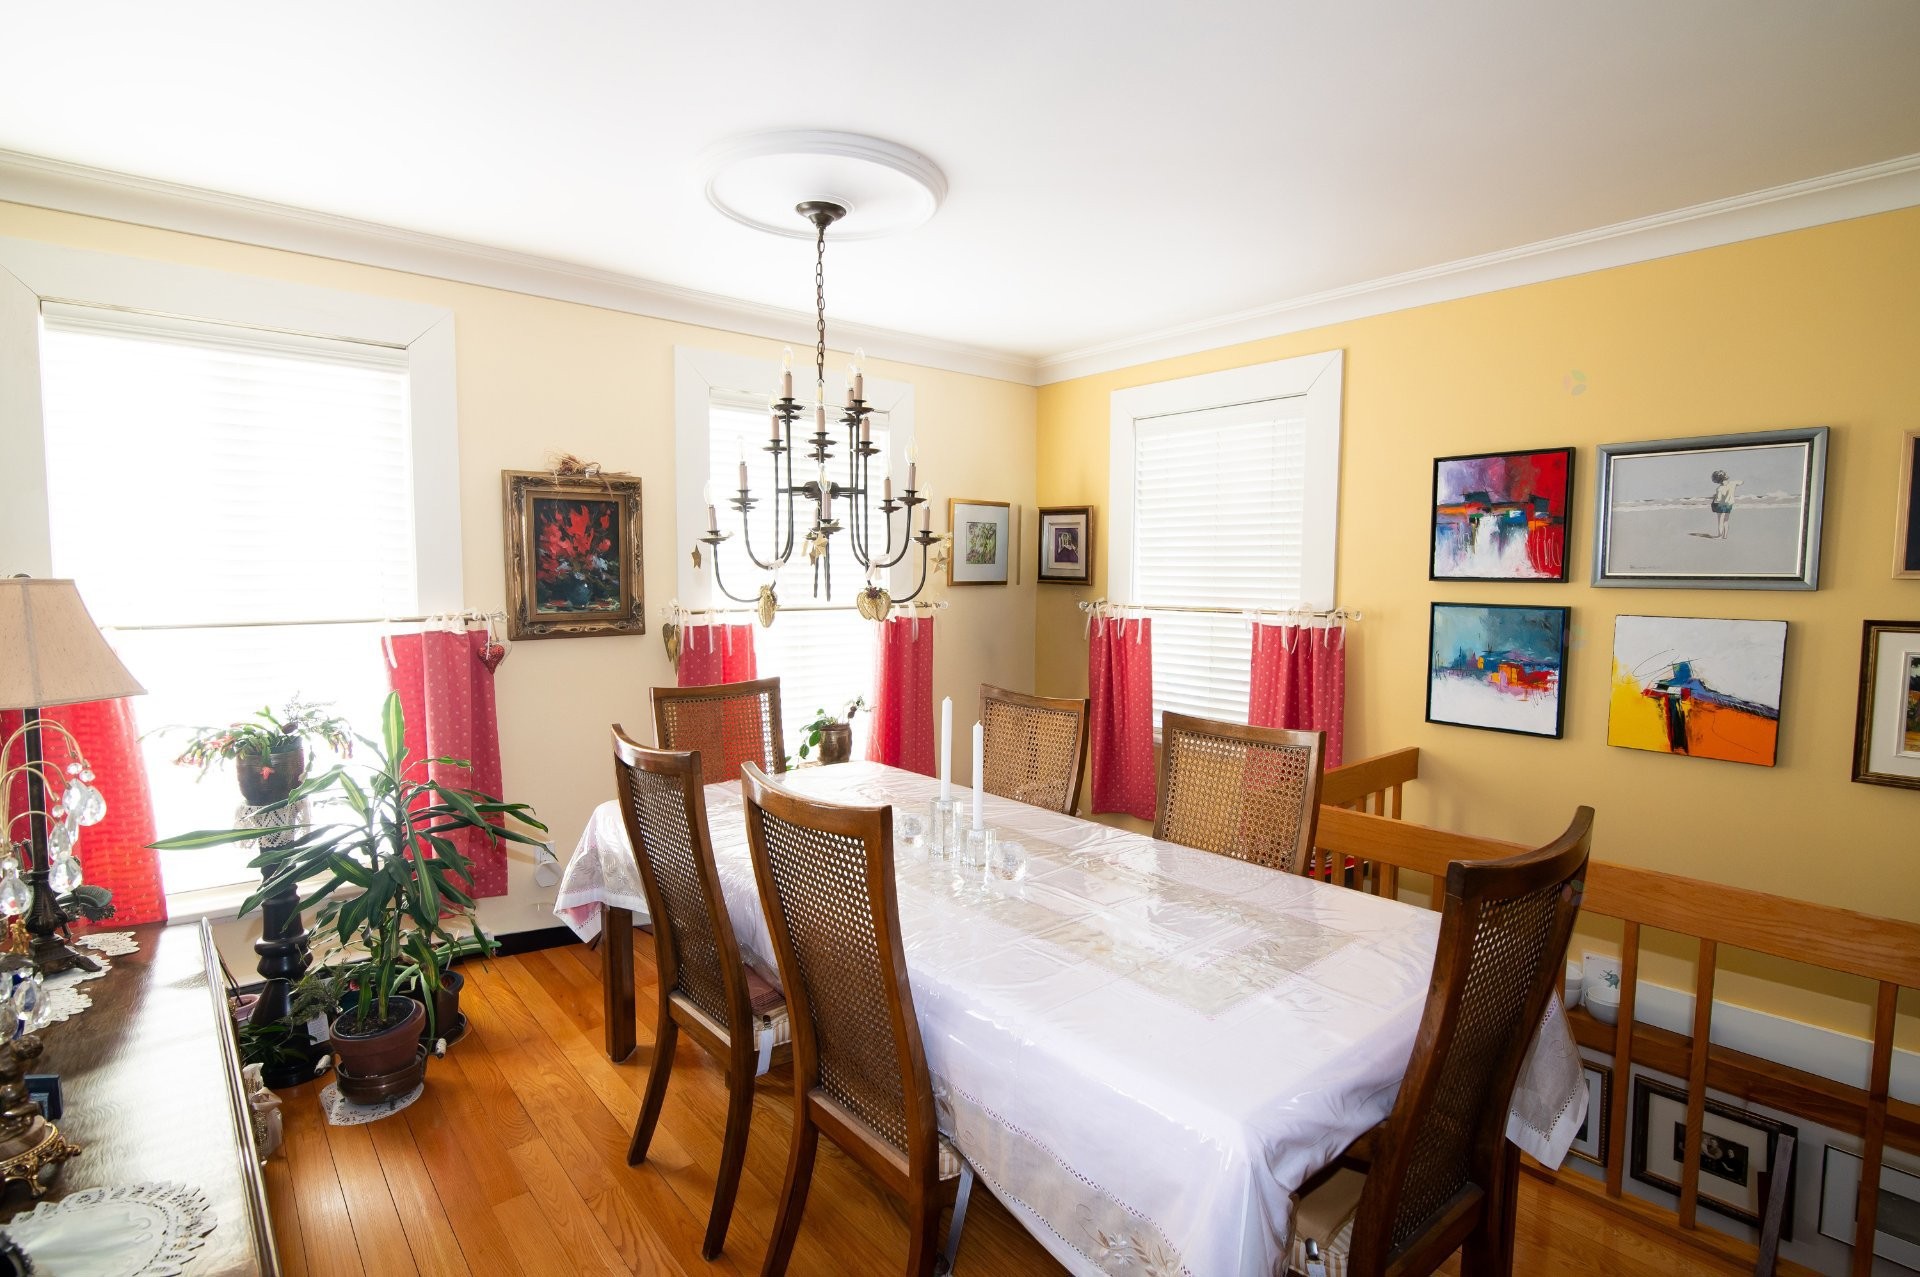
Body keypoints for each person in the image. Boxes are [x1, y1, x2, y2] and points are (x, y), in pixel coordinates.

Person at [1708, 469, 1743, 539]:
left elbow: (1718, 500)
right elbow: (1741, 482)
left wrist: (1714, 497)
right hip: (1729, 505)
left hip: (1721, 505)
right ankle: (1725, 536)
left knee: (1720, 520)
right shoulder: (1732, 483)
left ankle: (1719, 535)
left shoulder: (1719, 488)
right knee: (1726, 521)